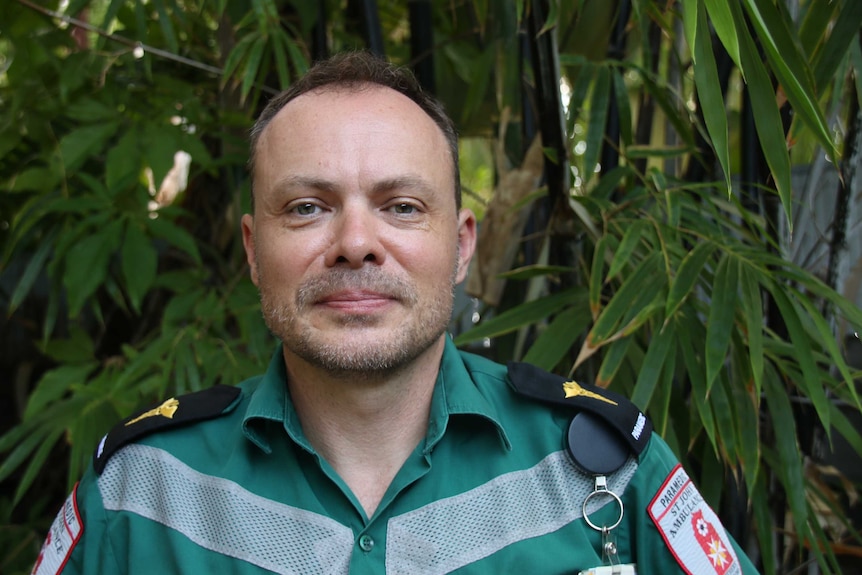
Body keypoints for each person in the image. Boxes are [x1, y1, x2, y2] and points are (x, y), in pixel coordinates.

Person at [33, 51, 760, 575]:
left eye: (402, 207)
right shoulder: (139, 493)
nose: (355, 244)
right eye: (308, 207)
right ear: (254, 249)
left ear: (460, 244)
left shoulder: (598, 471)